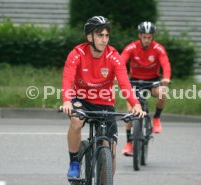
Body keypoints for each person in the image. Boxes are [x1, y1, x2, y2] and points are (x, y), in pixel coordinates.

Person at [60, 16, 145, 179]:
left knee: (110, 149)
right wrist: (66, 101)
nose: (104, 39)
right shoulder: (77, 53)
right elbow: (68, 78)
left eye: (107, 35)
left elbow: (124, 83)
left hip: (104, 102)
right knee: (76, 121)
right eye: (100, 35)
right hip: (81, 99)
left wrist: (135, 104)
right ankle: (74, 162)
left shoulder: (113, 56)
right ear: (90, 37)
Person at [121, 21, 171, 156]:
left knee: (162, 92)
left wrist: (166, 78)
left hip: (152, 80)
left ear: (153, 37)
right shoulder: (131, 47)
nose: (147, 40)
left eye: (149, 37)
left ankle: (156, 118)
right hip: (134, 80)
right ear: (139, 36)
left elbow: (165, 64)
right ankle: (129, 143)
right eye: (144, 37)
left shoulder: (158, 49)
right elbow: (121, 61)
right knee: (131, 110)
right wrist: (117, 76)